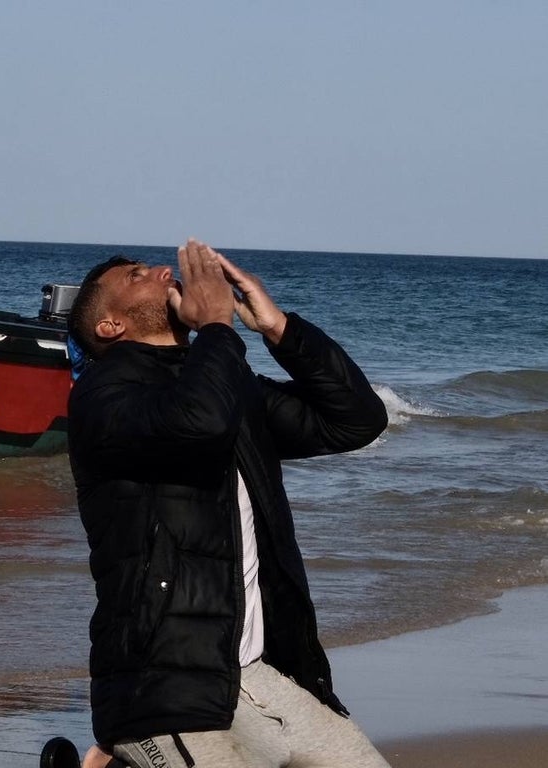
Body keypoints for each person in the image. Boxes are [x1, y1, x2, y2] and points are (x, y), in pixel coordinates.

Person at [62, 239, 390, 768]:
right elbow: (199, 425)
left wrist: (280, 329)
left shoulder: (223, 383)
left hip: (256, 675)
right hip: (163, 685)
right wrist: (217, 326)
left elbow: (355, 421)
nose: (164, 271)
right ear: (110, 326)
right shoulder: (103, 394)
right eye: (137, 275)